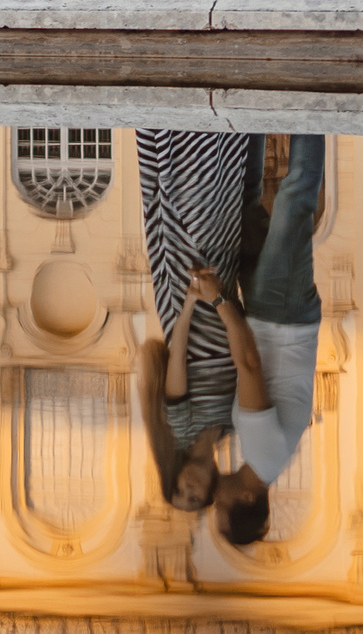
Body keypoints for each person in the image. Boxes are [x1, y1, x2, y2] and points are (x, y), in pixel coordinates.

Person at [198, 133, 326, 546]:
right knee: (295, 198)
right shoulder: (262, 454)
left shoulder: (266, 458)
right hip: (282, 315)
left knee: (243, 204)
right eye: (222, 509)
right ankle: (311, 110)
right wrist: (218, 299)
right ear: (247, 499)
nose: (215, 502)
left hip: (269, 315)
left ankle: (251, 119)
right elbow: (250, 364)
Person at [133, 130, 258, 509]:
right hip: (221, 296)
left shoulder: (181, 428)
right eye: (194, 497)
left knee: (186, 206)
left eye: (179, 489)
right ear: (209, 492)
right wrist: (221, 299)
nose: (189, 486)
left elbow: (178, 353)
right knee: (220, 204)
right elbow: (245, 357)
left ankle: (179, 135)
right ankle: (218, 134)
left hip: (188, 299)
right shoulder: (233, 428)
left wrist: (190, 298)